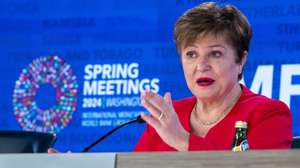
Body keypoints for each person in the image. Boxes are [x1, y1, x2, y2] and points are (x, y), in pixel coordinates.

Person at [134, 2, 292, 151]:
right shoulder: (168, 117)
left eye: (215, 54)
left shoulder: (267, 114)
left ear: (240, 60)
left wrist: (183, 140)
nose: (201, 65)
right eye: (191, 54)